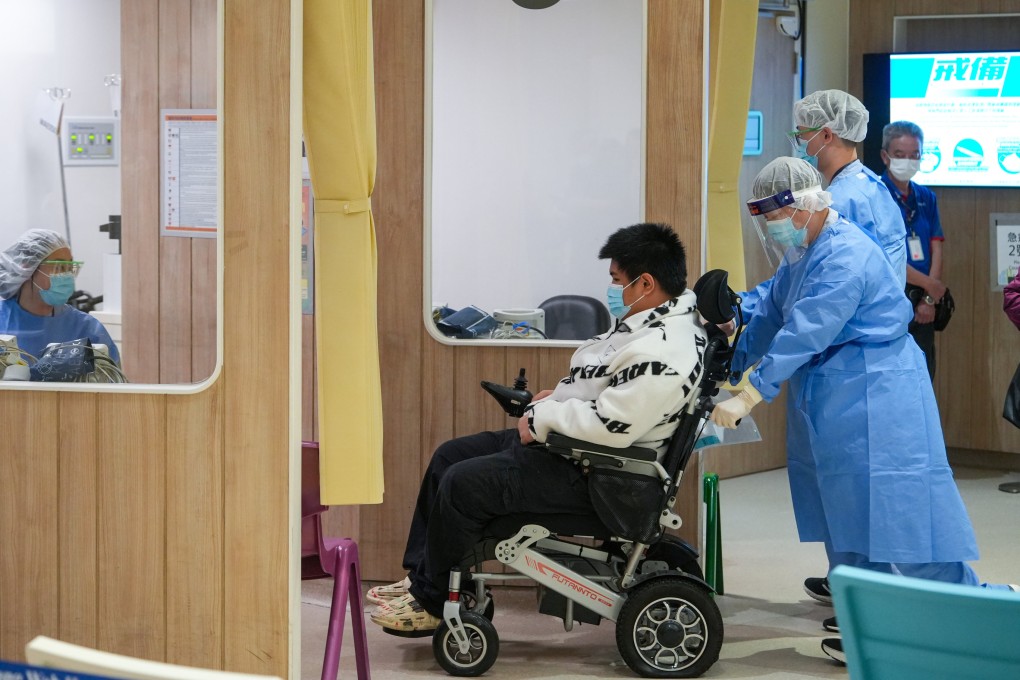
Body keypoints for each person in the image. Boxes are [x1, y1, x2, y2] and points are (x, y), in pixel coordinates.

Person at [710, 157, 1015, 664]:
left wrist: (751, 391)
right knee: (847, 522)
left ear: (805, 205)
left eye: (775, 217)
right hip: (835, 394)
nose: (773, 229)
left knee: (908, 519)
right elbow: (770, 313)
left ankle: (989, 620)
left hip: (881, 390)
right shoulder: (804, 252)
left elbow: (808, 327)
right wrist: (726, 361)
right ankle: (872, 630)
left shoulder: (845, 254)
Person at [366, 223, 707, 633]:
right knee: (449, 457)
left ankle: (432, 601)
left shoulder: (663, 351)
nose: (612, 289)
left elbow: (612, 426)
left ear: (646, 283)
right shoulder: (650, 322)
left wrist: (544, 418)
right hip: (577, 452)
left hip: (604, 477)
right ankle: (423, 578)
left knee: (462, 483)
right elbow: (607, 393)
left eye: (617, 281)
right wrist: (556, 400)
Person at [740, 89, 907, 322]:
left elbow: (796, 278)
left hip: (849, 333)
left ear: (826, 135)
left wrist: (740, 308)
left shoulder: (838, 202)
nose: (798, 144)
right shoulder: (871, 185)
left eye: (801, 135)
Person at [880, 121, 946, 379]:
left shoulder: (926, 197)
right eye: (900, 155)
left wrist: (928, 298)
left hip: (924, 301)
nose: (908, 161)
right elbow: (884, 257)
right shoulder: (876, 193)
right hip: (889, 298)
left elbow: (936, 245)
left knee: (923, 376)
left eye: (914, 155)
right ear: (885, 156)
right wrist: (930, 286)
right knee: (893, 378)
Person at [0, 229, 120, 365]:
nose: (67, 275)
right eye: (59, 267)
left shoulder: (87, 329)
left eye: (70, 268)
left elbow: (111, 381)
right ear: (27, 268)